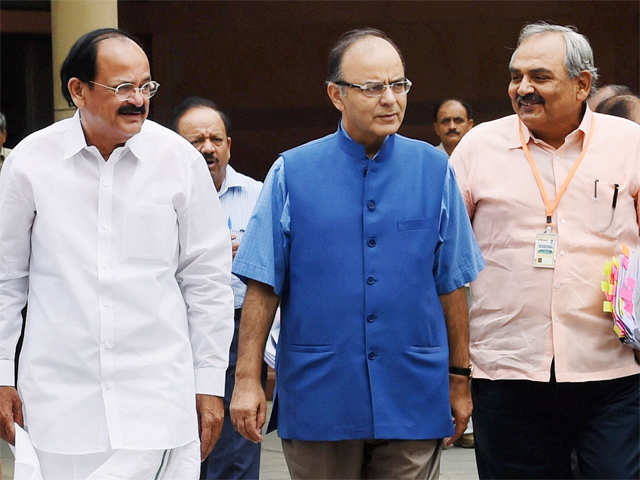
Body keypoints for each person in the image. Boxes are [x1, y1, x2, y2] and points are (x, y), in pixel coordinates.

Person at [230, 28, 484, 479]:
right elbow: (262, 283)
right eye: (372, 88)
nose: (390, 99)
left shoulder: (433, 169)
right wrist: (247, 379)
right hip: (321, 390)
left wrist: (459, 380)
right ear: (336, 95)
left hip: (413, 387)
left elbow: (452, 284)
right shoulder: (293, 171)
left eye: (399, 85)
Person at [0, 28, 234, 479]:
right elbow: (7, 279)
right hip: (59, 404)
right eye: (123, 87)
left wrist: (209, 383)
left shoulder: (178, 161)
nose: (138, 100)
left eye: (146, 87)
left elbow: (206, 281)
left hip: (157, 400)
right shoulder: (31, 162)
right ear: (78, 91)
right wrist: (2, 372)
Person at [451, 22, 640, 479]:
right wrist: (457, 372)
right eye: (516, 76)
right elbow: (445, 261)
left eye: (539, 76)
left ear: (582, 85)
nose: (522, 88)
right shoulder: (479, 147)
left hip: (611, 373)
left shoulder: (628, 144)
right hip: (507, 371)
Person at [172, 97, 265, 480]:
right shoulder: (157, 196)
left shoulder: (258, 196)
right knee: (180, 449)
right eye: (196, 141)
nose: (207, 148)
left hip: (237, 335)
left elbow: (276, 273)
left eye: (216, 139)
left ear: (229, 145)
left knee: (235, 450)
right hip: (174, 333)